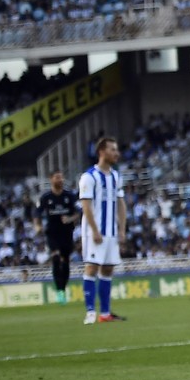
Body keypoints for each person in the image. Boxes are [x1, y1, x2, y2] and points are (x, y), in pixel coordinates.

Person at [79, 137, 127, 323]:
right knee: (92, 267)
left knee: (108, 269)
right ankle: (90, 312)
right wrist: (95, 230)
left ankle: (105, 314)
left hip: (111, 231)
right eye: (112, 150)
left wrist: (122, 229)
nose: (117, 153)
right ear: (101, 152)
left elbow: (120, 203)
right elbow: (86, 206)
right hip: (94, 231)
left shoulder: (116, 176)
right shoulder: (89, 177)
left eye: (117, 150)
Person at [36, 170, 79, 304]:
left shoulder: (70, 195)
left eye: (61, 177)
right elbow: (36, 213)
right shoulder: (46, 197)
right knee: (55, 257)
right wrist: (37, 226)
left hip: (67, 233)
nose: (60, 180)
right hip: (52, 233)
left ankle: (62, 289)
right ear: (51, 179)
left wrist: (70, 218)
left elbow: (79, 211)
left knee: (65, 260)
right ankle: (59, 290)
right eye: (57, 177)